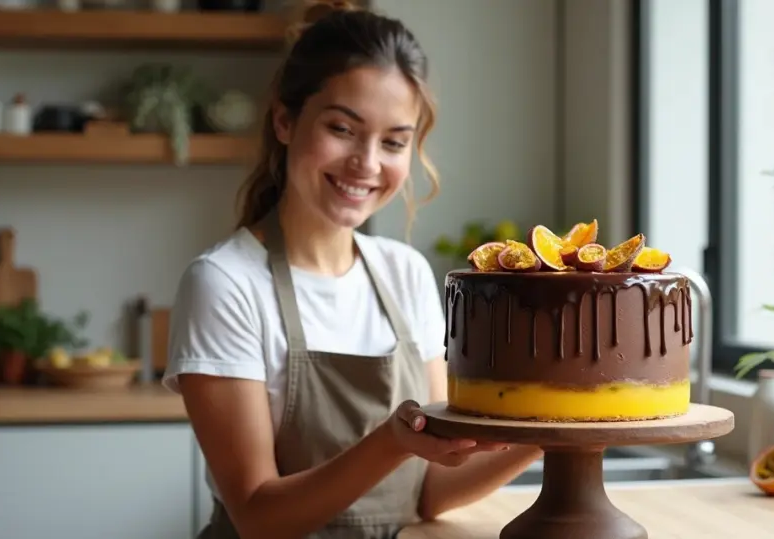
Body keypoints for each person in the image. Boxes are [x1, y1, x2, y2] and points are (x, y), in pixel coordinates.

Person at [162, 2, 543, 538]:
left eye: (393, 141)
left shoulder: (404, 273)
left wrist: (555, 427)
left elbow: (428, 492)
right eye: (343, 128)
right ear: (284, 120)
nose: (367, 163)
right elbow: (258, 517)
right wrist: (391, 441)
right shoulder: (225, 284)